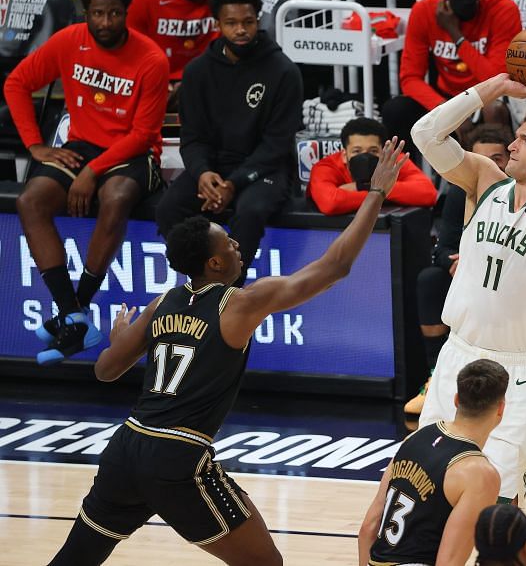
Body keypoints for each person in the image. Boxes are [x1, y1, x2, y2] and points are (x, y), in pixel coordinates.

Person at [46, 138, 409, 566]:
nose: (236, 245)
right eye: (228, 243)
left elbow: (106, 371)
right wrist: (376, 193)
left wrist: (119, 338)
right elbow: (335, 267)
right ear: (214, 264)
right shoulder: (237, 302)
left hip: (127, 447)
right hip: (178, 457)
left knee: (74, 559)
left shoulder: (161, 303)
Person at [411, 33, 526, 504]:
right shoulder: (485, 181)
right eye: (516, 135)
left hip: (516, 372)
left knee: (499, 507)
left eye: (525, 139)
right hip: (457, 354)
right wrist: (494, 87)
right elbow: (424, 134)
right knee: (424, 488)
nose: (512, 145)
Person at [4, 0, 169, 365]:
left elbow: (144, 133)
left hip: (134, 151)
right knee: (30, 201)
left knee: (115, 197)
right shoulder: (68, 40)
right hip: (81, 145)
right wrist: (36, 146)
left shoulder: (151, 59)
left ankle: (78, 310)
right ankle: (75, 317)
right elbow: (16, 83)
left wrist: (92, 171)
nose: (106, 22)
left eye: (114, 14)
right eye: (98, 13)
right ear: (87, 13)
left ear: (126, 14)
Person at [155, 0, 303, 286]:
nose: (241, 30)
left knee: (250, 211)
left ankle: (230, 296)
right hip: (215, 165)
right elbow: (193, 137)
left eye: (248, 22)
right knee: (169, 207)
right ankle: (199, 283)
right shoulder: (197, 72)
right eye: (231, 23)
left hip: (266, 168)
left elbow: (277, 144)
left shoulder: (283, 71)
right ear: (217, 24)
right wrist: (203, 173)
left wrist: (233, 184)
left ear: (258, 20)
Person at [406, 124, 513, 415]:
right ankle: (435, 376)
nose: (488, 166)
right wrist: (454, 262)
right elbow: (441, 247)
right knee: (430, 280)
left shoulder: (521, 194)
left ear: (509, 158)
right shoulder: (460, 192)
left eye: (496, 158)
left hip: (508, 277)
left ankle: (518, 388)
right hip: (465, 273)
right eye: (479, 159)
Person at [359, 358, 507, 566]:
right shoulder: (480, 474)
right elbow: (449, 562)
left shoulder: (412, 439)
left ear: (456, 400)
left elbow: (368, 528)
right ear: (501, 409)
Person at [382, 0, 522, 160]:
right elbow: (410, 78)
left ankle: (499, 180)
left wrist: (456, 35)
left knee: (495, 110)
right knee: (396, 110)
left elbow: (496, 77)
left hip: (488, 94)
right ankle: (408, 176)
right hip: (445, 97)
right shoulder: (424, 11)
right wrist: (448, 112)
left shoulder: (502, 9)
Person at [127, 0, 228, 111]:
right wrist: (156, 83)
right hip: (159, 82)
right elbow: (131, 51)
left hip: (211, 81)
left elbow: (235, 48)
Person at [307, 117, 438, 215]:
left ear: (383, 152)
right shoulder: (326, 167)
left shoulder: (394, 160)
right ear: (344, 155)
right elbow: (331, 203)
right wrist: (383, 194)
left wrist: (362, 188)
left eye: (373, 151)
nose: (365, 156)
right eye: (356, 151)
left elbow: (428, 193)